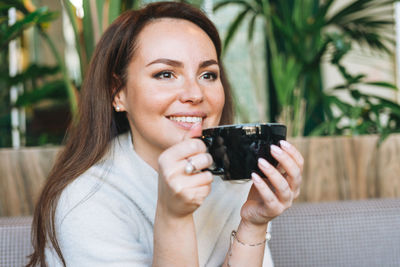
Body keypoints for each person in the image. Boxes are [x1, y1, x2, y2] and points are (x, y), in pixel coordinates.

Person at [27, 1, 303, 266]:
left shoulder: (233, 180)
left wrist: (253, 223)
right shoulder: (86, 200)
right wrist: (173, 217)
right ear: (117, 92)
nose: (195, 94)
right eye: (165, 74)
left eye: (208, 75)